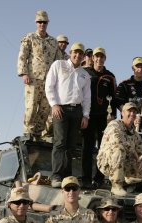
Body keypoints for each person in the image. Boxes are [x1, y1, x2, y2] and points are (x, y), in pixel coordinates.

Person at [45, 42, 91, 188]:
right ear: (70, 53)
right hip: (61, 109)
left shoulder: (85, 74)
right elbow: (49, 85)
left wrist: (85, 115)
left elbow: (86, 96)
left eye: (80, 53)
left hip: (76, 110)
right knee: (60, 142)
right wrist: (54, 104)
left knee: (71, 145)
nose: (77, 55)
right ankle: (57, 175)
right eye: (75, 52)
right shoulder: (58, 65)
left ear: (83, 56)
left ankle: (68, 175)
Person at [17, 10, 63, 140]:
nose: (42, 24)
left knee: (45, 109)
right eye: (39, 22)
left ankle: (37, 134)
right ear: (36, 23)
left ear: (47, 23)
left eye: (44, 22)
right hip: (33, 79)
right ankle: (28, 132)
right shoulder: (30, 38)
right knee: (31, 107)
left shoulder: (53, 42)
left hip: (49, 81)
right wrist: (24, 73)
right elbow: (22, 56)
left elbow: (59, 61)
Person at [97, 102, 142, 196]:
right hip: (107, 163)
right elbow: (118, 141)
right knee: (119, 149)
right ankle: (116, 185)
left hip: (124, 163)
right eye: (129, 111)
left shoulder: (134, 133)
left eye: (134, 112)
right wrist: (135, 155)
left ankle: (128, 180)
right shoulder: (114, 124)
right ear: (122, 113)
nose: (132, 114)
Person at [82, 47, 116, 189]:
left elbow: (113, 98)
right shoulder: (85, 73)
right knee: (87, 148)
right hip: (88, 116)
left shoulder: (110, 76)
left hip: (104, 117)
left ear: (104, 59)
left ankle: (99, 178)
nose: (99, 59)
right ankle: (85, 179)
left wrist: (113, 117)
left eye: (102, 57)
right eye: (97, 56)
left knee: (103, 149)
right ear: (92, 58)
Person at [114, 57, 142, 148]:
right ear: (133, 68)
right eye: (137, 66)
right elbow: (118, 102)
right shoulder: (124, 84)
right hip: (128, 125)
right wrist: (132, 116)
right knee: (128, 152)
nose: (140, 69)